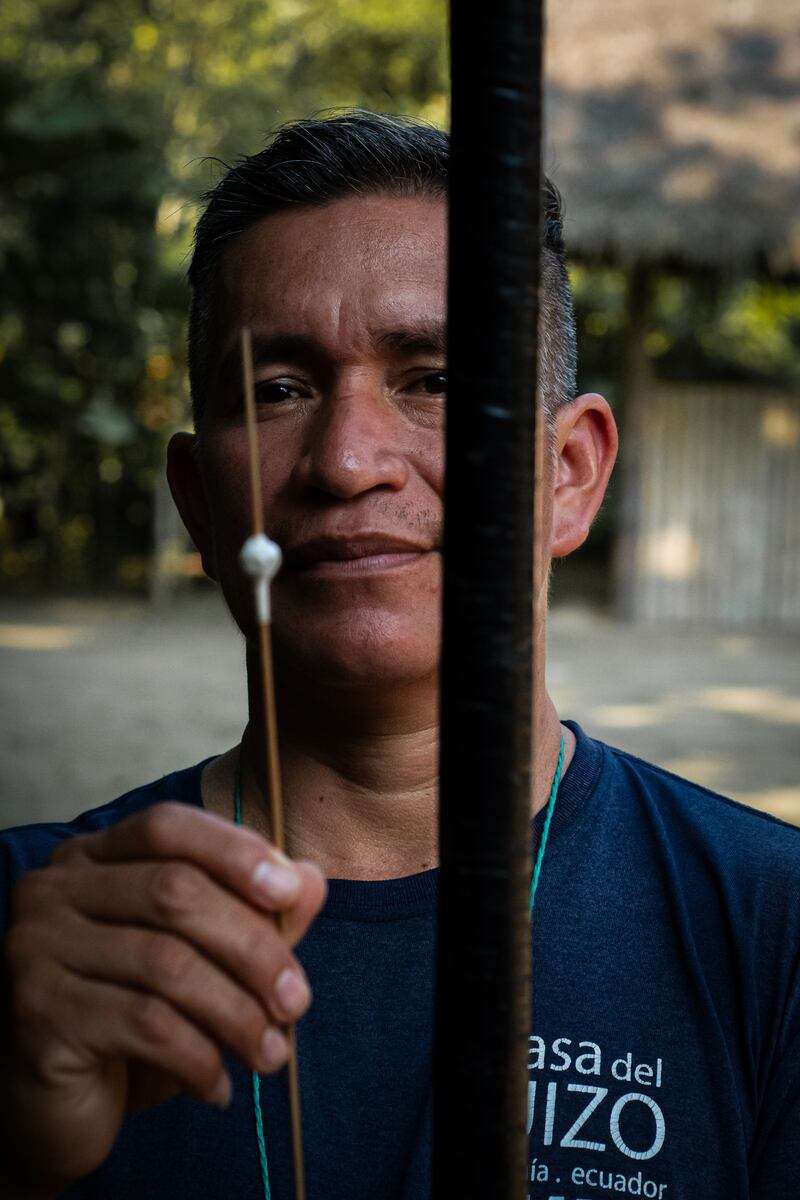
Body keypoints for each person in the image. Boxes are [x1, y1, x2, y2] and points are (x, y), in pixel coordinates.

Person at [1, 112, 798, 1200]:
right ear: (198, 496)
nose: (345, 461)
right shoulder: (37, 938)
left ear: (569, 473)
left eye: (431, 379)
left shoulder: (768, 924)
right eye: (278, 389)